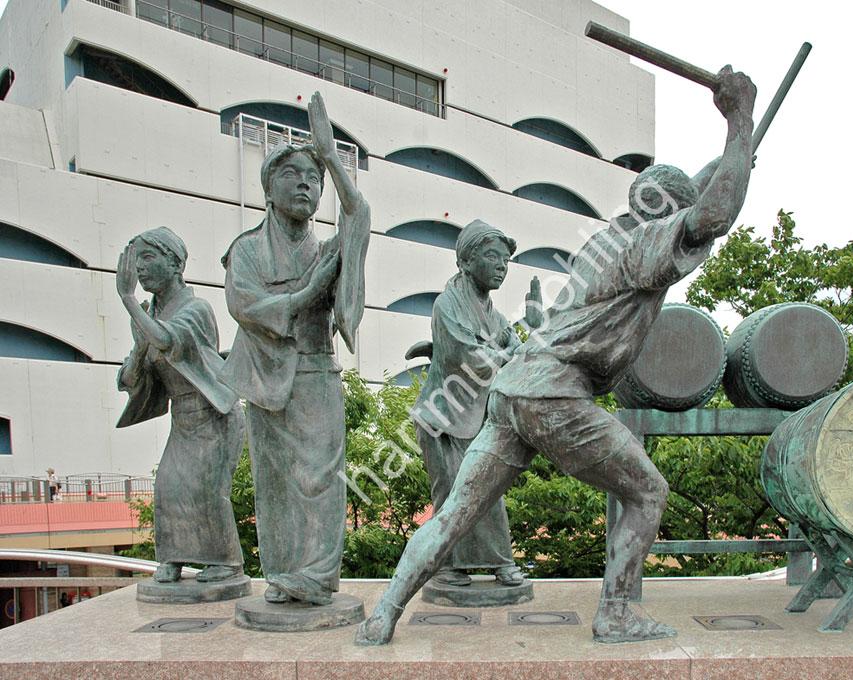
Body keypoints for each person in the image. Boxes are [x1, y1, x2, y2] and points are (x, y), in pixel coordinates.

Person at [356, 66, 756, 645]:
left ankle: (385, 612)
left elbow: (694, 192)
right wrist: (739, 120)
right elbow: (711, 215)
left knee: (455, 514)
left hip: (511, 393)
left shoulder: (613, 238)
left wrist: (736, 153)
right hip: (554, 394)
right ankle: (616, 613)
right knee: (647, 492)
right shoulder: (649, 245)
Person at [218, 92, 370, 606]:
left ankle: (319, 576)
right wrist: (306, 294)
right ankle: (283, 575)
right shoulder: (246, 250)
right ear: (268, 188)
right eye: (292, 174)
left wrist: (331, 156)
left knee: (321, 479)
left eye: (314, 177)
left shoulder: (327, 248)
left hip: (316, 373)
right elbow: (245, 305)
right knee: (275, 483)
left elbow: (358, 214)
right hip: (267, 380)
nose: (306, 183)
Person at [115, 227, 245, 584]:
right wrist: (136, 353)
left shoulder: (196, 309)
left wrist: (127, 299)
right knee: (169, 487)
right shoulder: (149, 315)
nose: (139, 268)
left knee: (207, 491)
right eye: (136, 260)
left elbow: (168, 341)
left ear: (175, 264)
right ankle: (173, 557)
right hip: (182, 419)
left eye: (148, 257)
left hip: (214, 416)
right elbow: (132, 375)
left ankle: (226, 563)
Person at [410, 220, 525, 588]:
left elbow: (517, 351)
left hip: (478, 418)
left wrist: (509, 349)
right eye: (492, 256)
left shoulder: (495, 316)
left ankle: (499, 562)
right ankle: (445, 565)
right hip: (441, 419)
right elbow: (468, 357)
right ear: (465, 261)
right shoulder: (447, 305)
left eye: (505, 260)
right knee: (449, 495)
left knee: (488, 490)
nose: (501, 265)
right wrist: (503, 352)